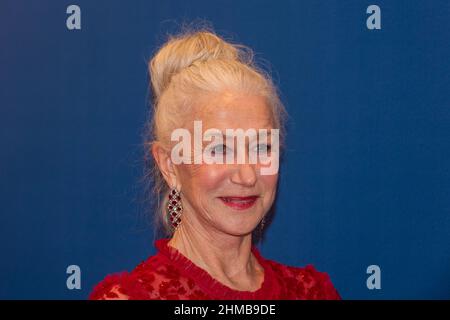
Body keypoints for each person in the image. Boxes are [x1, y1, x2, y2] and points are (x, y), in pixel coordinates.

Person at [89, 29, 341, 300]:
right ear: (170, 165)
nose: (247, 176)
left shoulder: (311, 292)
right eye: (220, 149)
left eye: (262, 147)